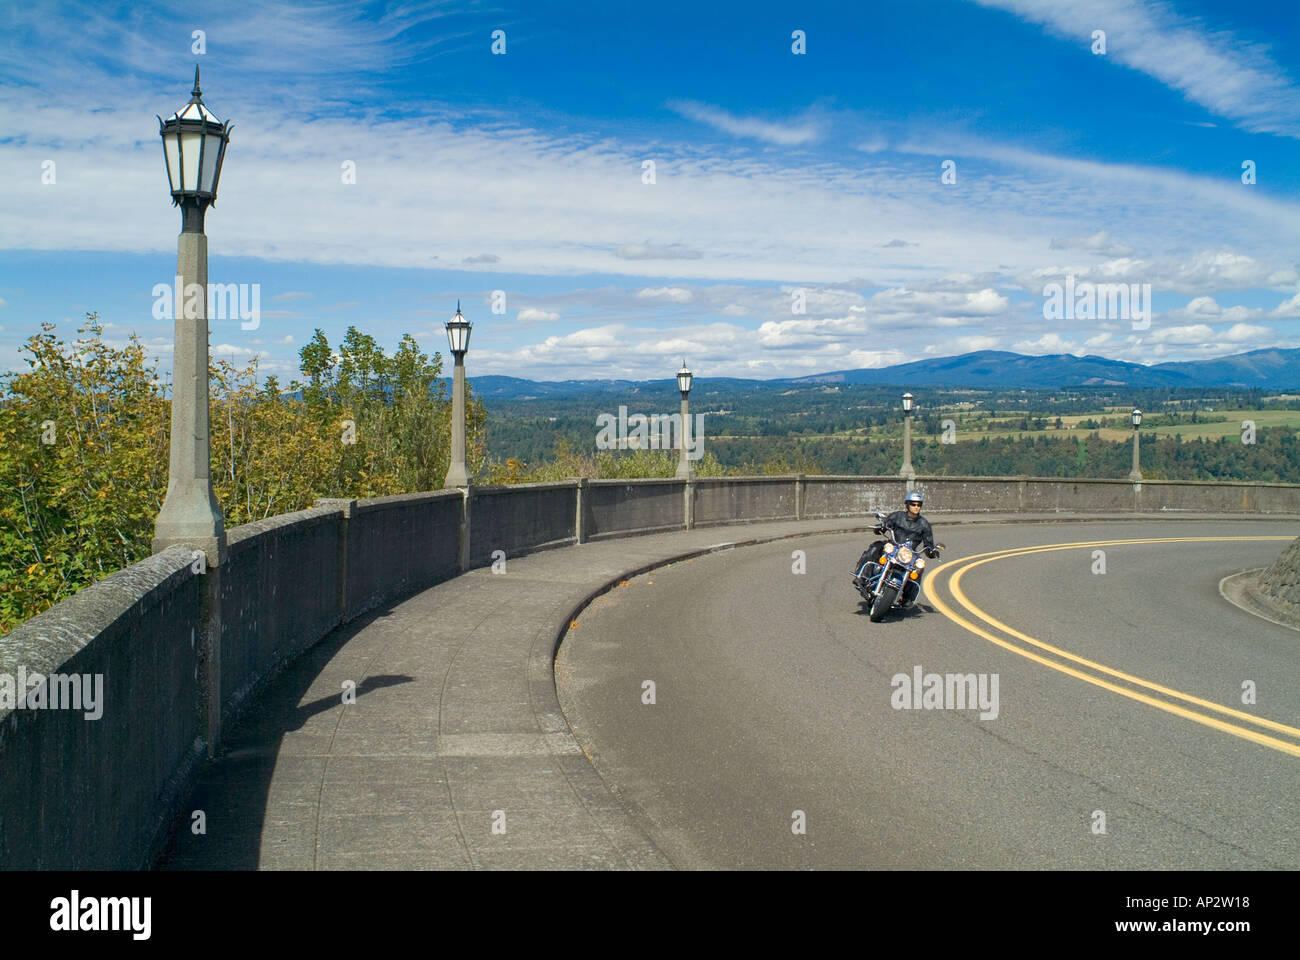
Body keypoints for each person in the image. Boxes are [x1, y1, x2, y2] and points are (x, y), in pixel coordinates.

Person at [854, 491, 939, 602]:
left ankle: (908, 597)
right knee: (876, 547)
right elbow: (886, 524)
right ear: (907, 504)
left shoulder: (924, 524)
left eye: (919, 505)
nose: (916, 507)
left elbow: (928, 544)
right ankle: (862, 577)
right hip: (894, 546)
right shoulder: (897, 516)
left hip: (910, 553)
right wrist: (881, 527)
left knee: (920, 566)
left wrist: (932, 552)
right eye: (913, 504)